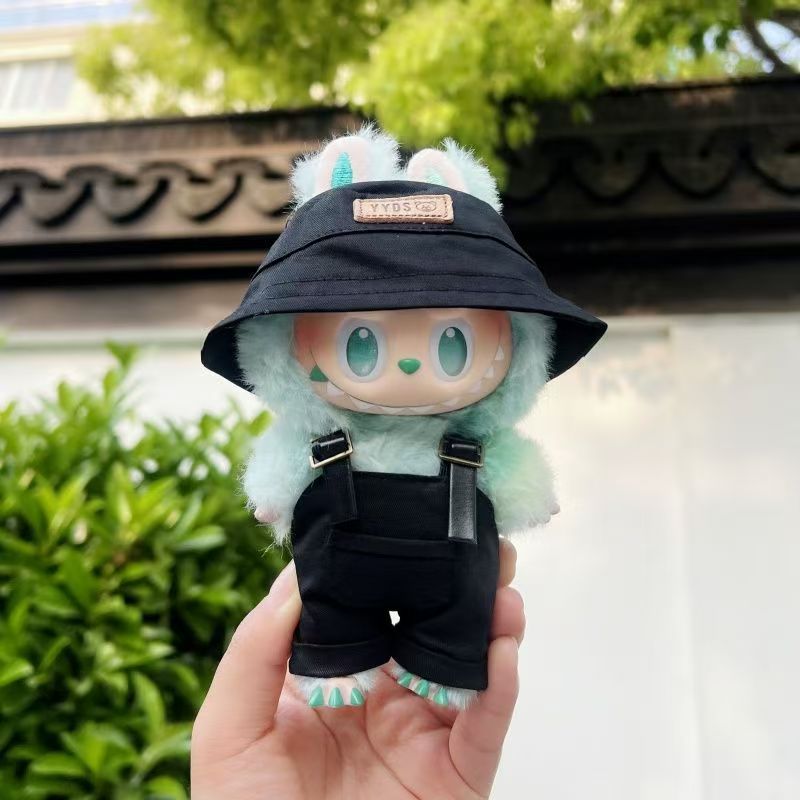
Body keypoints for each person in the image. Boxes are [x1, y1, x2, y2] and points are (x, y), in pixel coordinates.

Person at [191, 538, 524, 799]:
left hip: (352, 532)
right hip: (432, 533)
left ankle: (431, 658)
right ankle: (434, 658)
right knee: (459, 597)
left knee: (332, 583)